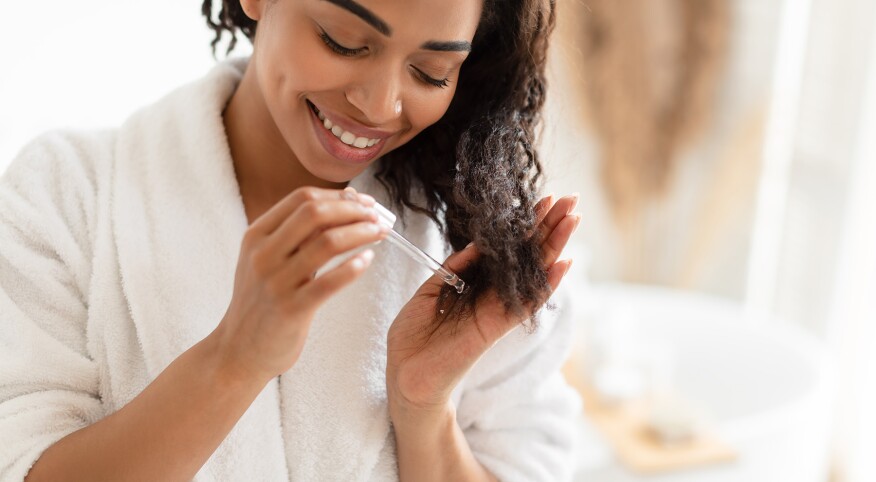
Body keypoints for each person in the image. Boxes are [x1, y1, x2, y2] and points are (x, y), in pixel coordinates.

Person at [0, 0, 582, 480]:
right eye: (343, 41)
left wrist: (423, 404)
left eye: (431, 72)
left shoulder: (472, 242)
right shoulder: (68, 193)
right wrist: (233, 358)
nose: (380, 105)